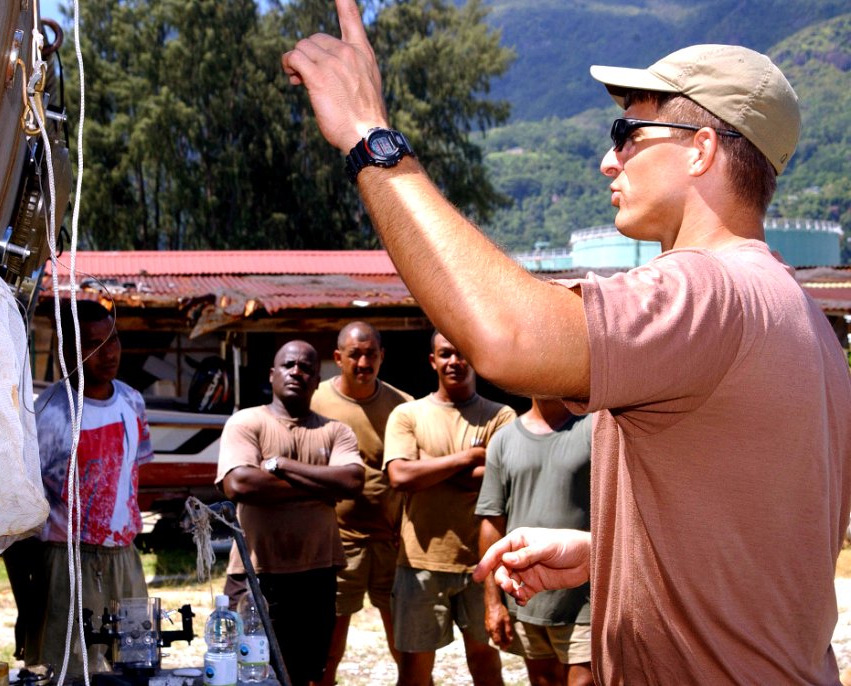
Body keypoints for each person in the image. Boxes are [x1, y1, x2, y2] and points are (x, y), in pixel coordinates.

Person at [282, 6, 851, 683]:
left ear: (700, 149)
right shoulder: (801, 318)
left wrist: (367, 135)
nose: (610, 157)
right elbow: (759, 539)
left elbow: (505, 336)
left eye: (630, 130)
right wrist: (609, 554)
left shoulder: (705, 289)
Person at [217, 340, 365, 686]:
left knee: (307, 673)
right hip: (255, 573)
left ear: (317, 380)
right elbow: (239, 484)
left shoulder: (335, 431)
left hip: (316, 573)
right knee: (246, 672)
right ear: (272, 374)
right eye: (288, 365)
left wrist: (279, 466)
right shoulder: (246, 422)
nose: (297, 372)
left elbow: (352, 480)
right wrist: (321, 487)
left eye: (306, 368)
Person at [383, 331, 515, 686]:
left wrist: (428, 466)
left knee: (486, 662)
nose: (454, 362)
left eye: (462, 353)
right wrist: (469, 457)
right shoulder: (407, 414)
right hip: (420, 562)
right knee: (414, 670)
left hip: (481, 562)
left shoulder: (501, 416)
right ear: (433, 361)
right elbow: (399, 475)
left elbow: (498, 480)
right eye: (445, 354)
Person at [31, 299, 154, 675]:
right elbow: (26, 506)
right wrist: (29, 596)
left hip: (124, 557)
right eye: (92, 344)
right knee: (66, 670)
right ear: (66, 351)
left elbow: (132, 480)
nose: (108, 352)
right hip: (66, 559)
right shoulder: (49, 413)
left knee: (133, 664)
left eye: (113, 339)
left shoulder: (133, 401)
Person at [309, 322, 412, 686]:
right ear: (338, 358)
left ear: (382, 356)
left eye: (371, 354)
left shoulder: (404, 406)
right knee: (328, 648)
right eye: (355, 354)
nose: (363, 362)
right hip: (337, 542)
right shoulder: (314, 400)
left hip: (391, 542)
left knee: (405, 645)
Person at [476, 401, 594, 686]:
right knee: (543, 680)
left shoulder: (595, 428)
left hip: (586, 597)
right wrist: (493, 602)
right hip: (526, 592)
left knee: (586, 681)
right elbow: (492, 519)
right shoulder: (504, 439)